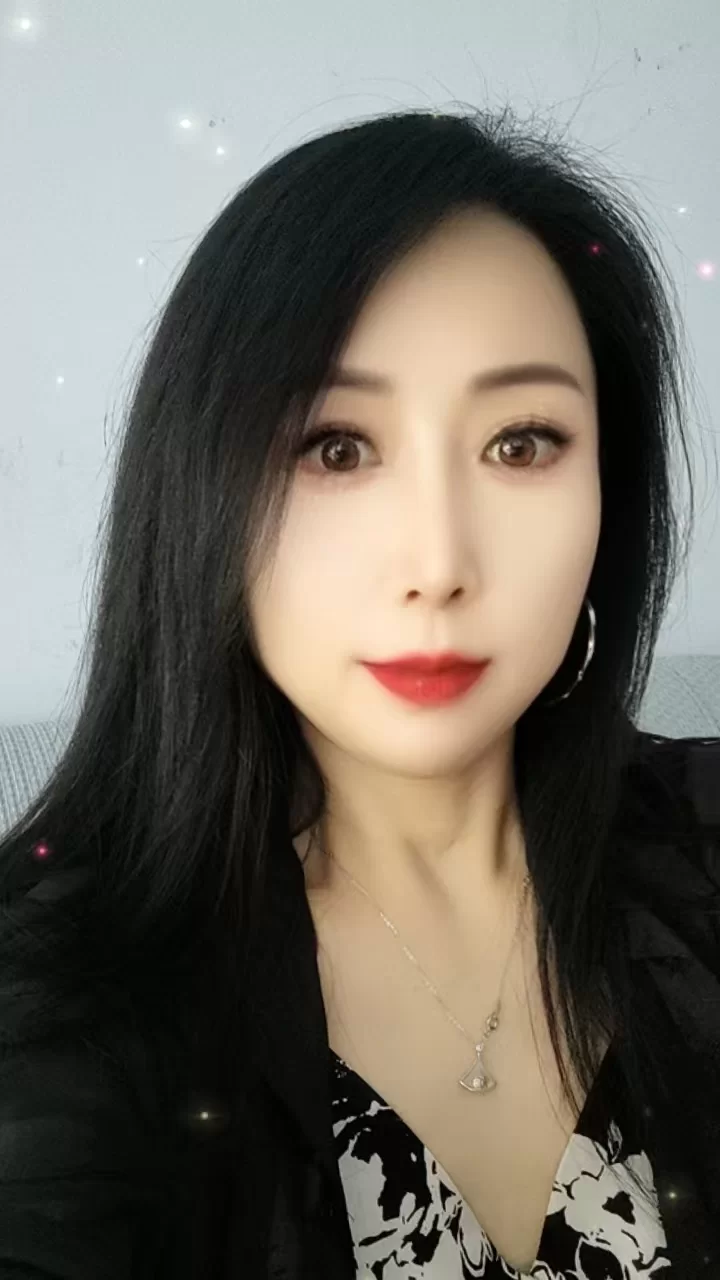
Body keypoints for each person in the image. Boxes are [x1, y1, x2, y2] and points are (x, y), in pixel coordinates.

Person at [0, 103, 718, 1280]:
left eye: (523, 442)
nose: (438, 563)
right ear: (202, 489)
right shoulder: (63, 999)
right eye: (336, 446)